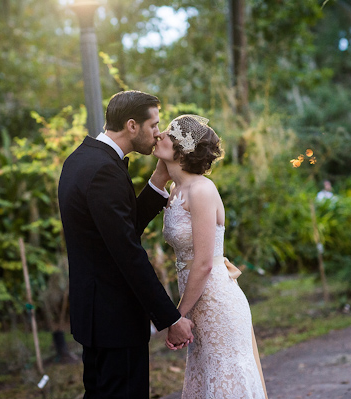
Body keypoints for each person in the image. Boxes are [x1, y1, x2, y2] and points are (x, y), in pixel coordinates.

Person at [57, 91, 194, 399]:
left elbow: (120, 230)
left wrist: (157, 182)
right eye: (153, 125)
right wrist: (169, 318)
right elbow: (128, 252)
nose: (158, 133)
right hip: (114, 319)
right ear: (132, 126)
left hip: (95, 317)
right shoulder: (105, 170)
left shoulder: (81, 159)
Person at [154, 115, 268, 398]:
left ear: (183, 148)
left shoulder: (202, 190)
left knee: (224, 377)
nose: (159, 136)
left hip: (217, 302)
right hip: (196, 303)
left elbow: (204, 264)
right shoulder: (174, 190)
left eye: (168, 133)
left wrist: (176, 317)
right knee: (205, 377)